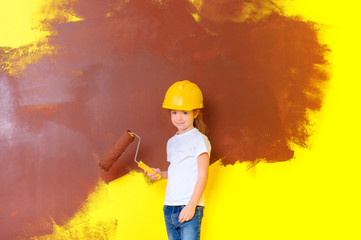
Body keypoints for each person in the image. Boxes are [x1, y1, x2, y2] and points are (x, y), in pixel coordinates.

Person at [146, 80, 211, 240]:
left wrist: (191, 205)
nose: (179, 118)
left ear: (196, 112)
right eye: (174, 112)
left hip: (189, 206)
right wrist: (160, 173)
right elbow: (177, 170)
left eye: (185, 112)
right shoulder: (172, 141)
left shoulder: (199, 140)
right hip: (169, 207)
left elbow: (203, 176)